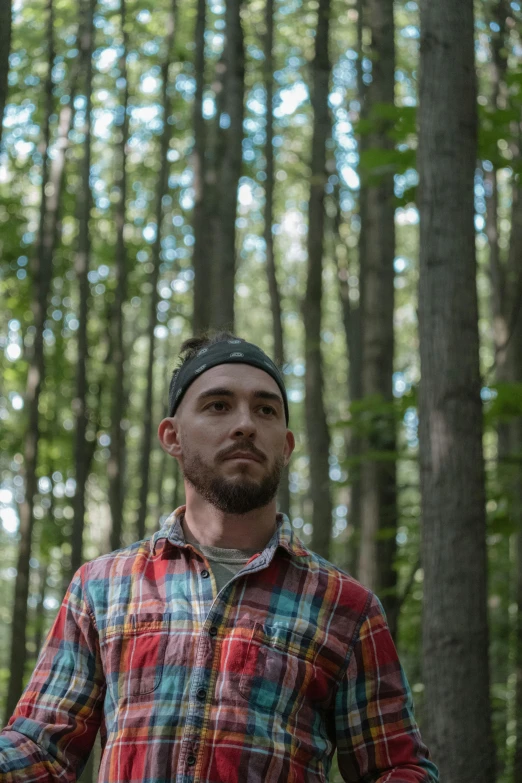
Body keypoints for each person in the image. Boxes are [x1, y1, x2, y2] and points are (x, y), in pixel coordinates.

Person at [0, 332, 439, 782]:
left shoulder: (347, 607)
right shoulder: (101, 587)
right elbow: (41, 749)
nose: (245, 424)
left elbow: (399, 766)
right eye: (218, 405)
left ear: (285, 446)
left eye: (265, 409)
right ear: (172, 436)